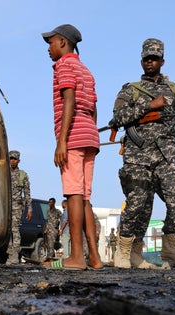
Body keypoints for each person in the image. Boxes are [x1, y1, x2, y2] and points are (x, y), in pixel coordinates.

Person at [108, 38, 175, 271]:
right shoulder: (130, 90)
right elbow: (117, 119)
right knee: (139, 204)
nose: (150, 62)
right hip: (137, 156)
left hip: (167, 156)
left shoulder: (174, 91)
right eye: (146, 58)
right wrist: (148, 106)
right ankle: (127, 252)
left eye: (154, 58)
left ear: (162, 61)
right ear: (141, 61)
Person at [42, 24, 102, 270]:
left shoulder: (64, 65)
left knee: (73, 194)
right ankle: (94, 257)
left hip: (74, 137)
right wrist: (90, 133)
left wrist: (62, 141)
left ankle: (76, 256)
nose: (49, 48)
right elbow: (94, 109)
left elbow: (69, 99)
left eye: (51, 42)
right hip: (89, 136)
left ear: (64, 43)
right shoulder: (86, 70)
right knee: (85, 197)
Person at [4, 150, 32, 265]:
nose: (12, 161)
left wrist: (29, 209)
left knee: (14, 229)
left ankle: (15, 254)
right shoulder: (4, 173)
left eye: (14, 159)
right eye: (11, 158)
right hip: (5, 207)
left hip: (17, 206)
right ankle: (10, 254)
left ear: (18, 161)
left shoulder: (23, 175)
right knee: (7, 230)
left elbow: (27, 193)